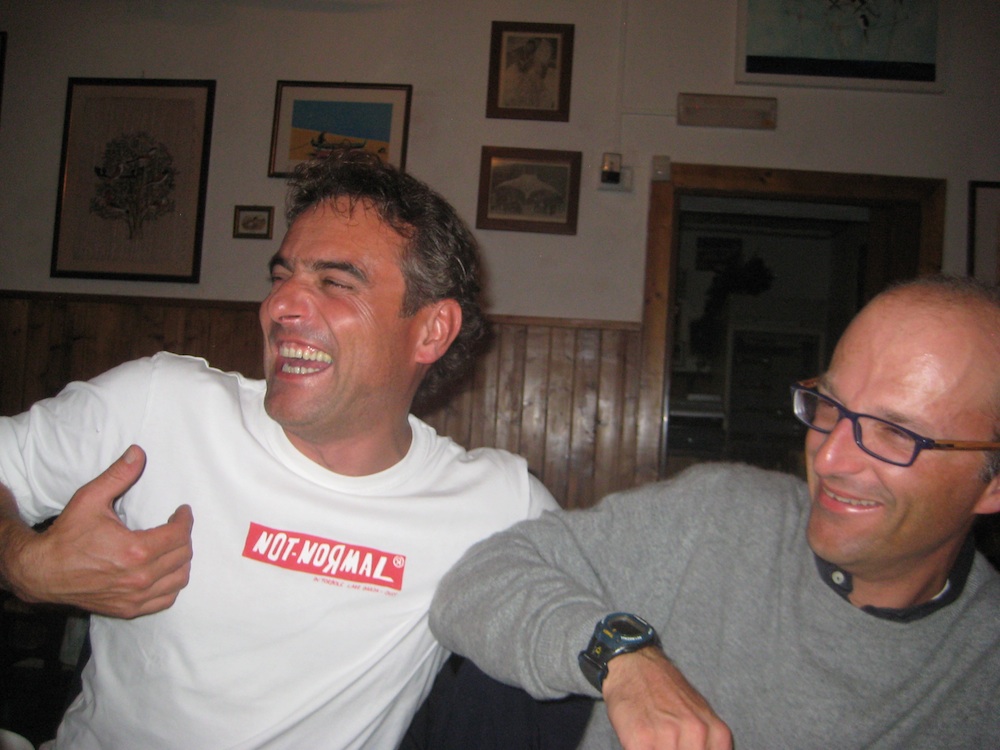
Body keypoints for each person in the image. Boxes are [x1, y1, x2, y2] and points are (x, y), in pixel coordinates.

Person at [0, 148, 558, 749]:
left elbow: (603, 617)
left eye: (335, 282)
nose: (278, 306)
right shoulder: (160, 404)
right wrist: (23, 563)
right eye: (280, 277)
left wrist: (624, 666)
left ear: (431, 330)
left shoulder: (495, 504)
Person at [429, 276, 1000, 749]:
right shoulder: (725, 515)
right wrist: (621, 657)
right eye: (829, 405)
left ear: (993, 484)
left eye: (896, 433)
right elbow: (475, 582)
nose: (828, 458)